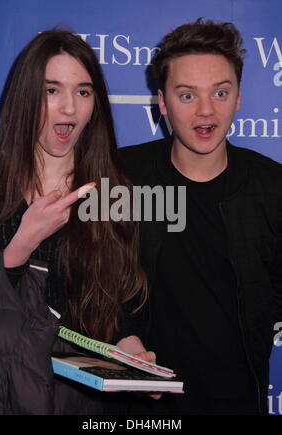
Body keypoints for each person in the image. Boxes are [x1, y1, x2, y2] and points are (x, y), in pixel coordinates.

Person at [0, 29, 153, 415]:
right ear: (26, 95)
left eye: (83, 91)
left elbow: (121, 306)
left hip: (78, 403)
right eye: (51, 90)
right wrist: (20, 246)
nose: (69, 109)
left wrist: (128, 348)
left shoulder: (116, 193)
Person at [119, 18, 282, 415]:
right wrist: (122, 337)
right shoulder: (121, 176)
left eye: (220, 93)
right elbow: (91, 279)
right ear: (162, 102)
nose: (206, 111)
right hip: (138, 409)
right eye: (187, 95)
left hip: (239, 402)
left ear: (239, 96)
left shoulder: (272, 187)